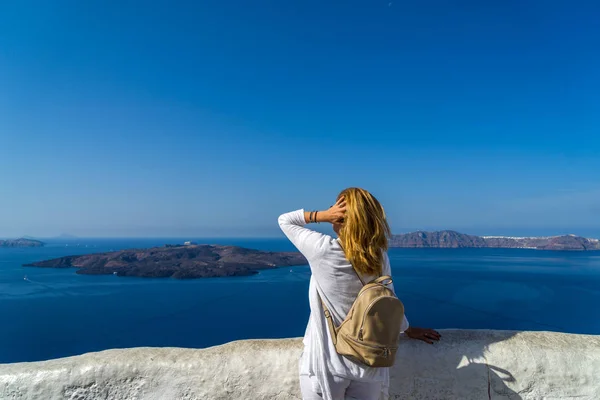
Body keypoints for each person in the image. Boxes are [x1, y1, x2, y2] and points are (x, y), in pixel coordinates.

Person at [278, 187, 441, 400]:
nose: (331, 210)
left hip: (328, 366)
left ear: (340, 216)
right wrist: (408, 330)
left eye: (336, 207)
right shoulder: (379, 257)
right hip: (369, 367)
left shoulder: (323, 250)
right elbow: (387, 300)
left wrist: (322, 216)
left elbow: (285, 220)